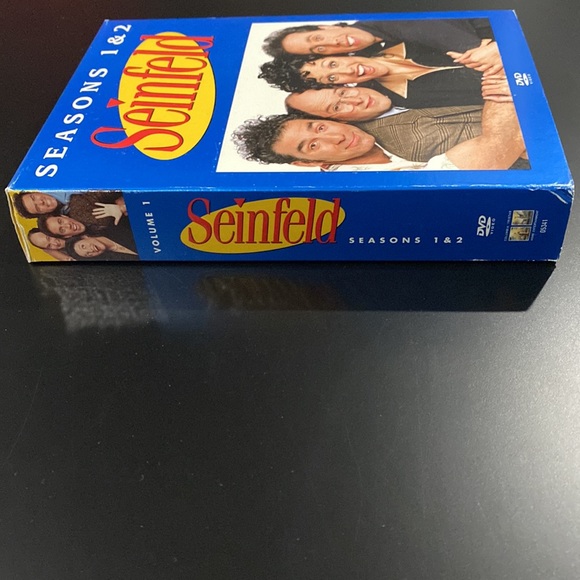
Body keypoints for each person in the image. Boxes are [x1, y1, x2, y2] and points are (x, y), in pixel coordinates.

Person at [233, 98, 525, 171]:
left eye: (320, 127)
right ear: (307, 163)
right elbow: (495, 147)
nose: (335, 137)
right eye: (312, 146)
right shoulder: (351, 192)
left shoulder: (380, 117)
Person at [260, 44, 487, 108]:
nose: (348, 71)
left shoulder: (395, 36)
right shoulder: (401, 99)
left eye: (332, 64)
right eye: (332, 78)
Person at [262, 19, 496, 59]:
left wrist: (481, 51)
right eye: (320, 49)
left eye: (318, 37)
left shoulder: (386, 19)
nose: (333, 43)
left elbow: (477, 52)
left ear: (325, 26)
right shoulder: (378, 54)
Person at [65, 235, 139, 261]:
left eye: (83, 246)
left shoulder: (116, 226)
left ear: (85, 237)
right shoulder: (115, 260)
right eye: (88, 254)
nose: (90, 250)